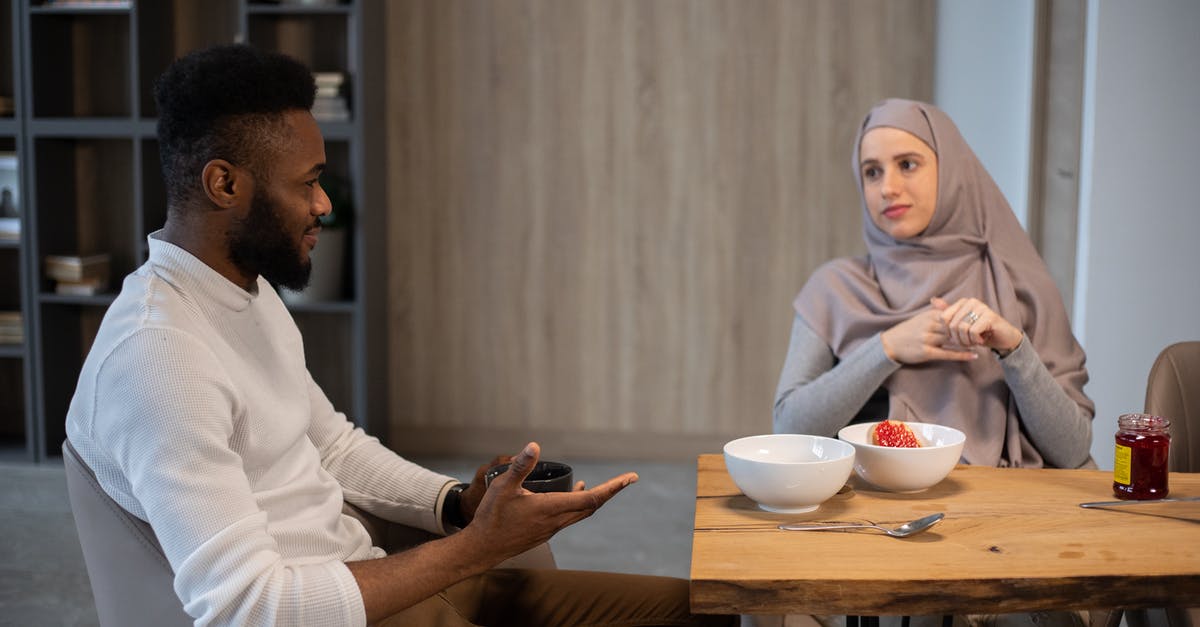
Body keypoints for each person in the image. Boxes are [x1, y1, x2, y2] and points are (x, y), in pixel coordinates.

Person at [64, 44, 733, 627]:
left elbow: (331, 445)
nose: (324, 204)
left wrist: (457, 504)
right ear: (223, 183)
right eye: (309, 183)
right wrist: (473, 547)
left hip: (386, 580)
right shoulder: (159, 359)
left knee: (712, 611)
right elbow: (249, 608)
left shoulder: (244, 288)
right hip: (348, 610)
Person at [770, 98, 1093, 626]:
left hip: (1000, 530)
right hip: (870, 531)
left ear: (954, 171)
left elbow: (1074, 447)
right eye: (871, 172)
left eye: (908, 164)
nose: (888, 187)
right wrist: (887, 348)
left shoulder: (1021, 289)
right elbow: (788, 426)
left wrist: (1014, 348)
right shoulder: (835, 288)